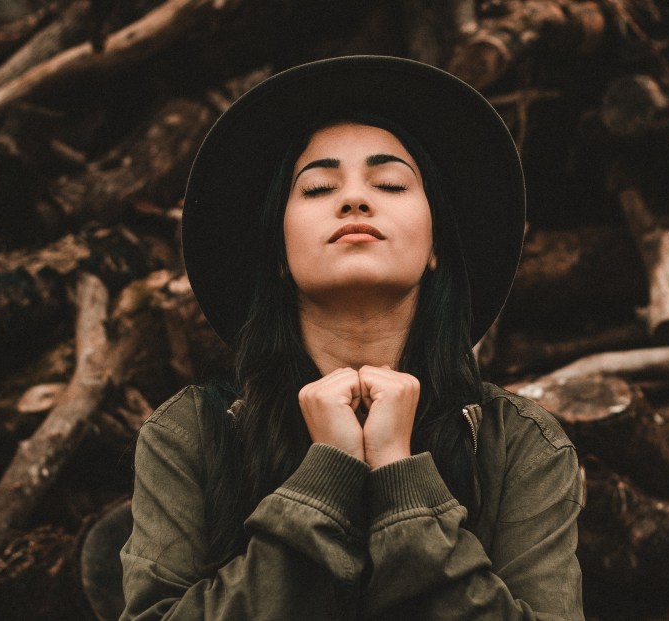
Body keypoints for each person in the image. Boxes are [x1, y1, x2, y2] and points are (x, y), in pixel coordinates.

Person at [119, 55, 584, 620]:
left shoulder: (518, 444)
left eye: (389, 183)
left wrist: (398, 474)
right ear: (280, 257)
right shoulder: (189, 435)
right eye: (317, 188)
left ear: (435, 247)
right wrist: (326, 475)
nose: (354, 199)